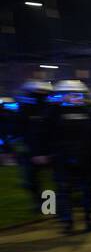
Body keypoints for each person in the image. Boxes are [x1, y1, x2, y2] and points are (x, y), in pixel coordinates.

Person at [50, 80, 91, 233]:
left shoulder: (90, 112)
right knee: (64, 189)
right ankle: (67, 221)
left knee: (87, 190)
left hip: (85, 157)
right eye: (71, 94)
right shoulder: (54, 113)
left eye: (78, 94)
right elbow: (45, 134)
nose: (75, 97)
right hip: (62, 158)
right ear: (62, 96)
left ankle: (88, 218)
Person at [13, 80, 54, 216]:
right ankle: (43, 205)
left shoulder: (49, 109)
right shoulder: (25, 109)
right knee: (31, 181)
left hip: (45, 150)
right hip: (32, 150)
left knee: (48, 181)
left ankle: (48, 208)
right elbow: (20, 130)